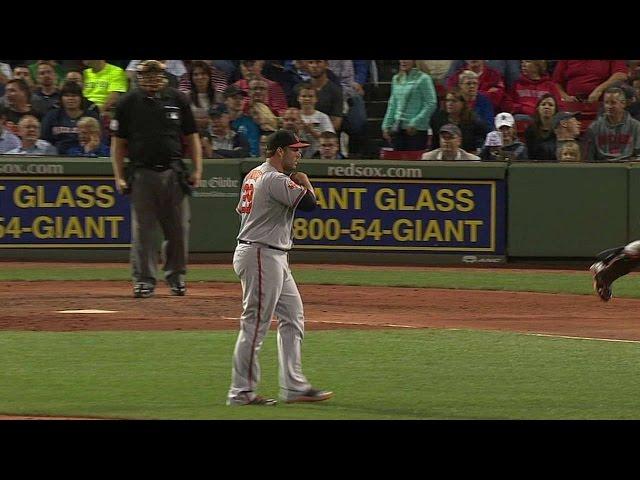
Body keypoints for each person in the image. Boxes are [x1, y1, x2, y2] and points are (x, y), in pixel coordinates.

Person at [227, 129, 333, 406]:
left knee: (293, 315)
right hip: (261, 254)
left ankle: (294, 386)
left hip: (268, 253)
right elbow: (310, 205)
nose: (299, 154)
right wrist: (306, 181)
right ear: (279, 151)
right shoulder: (273, 178)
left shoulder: (254, 173)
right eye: (295, 149)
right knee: (255, 325)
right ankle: (241, 392)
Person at [110, 60, 202, 298]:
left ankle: (176, 276)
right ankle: (144, 280)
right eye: (146, 74)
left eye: (155, 74)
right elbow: (118, 144)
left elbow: (192, 138)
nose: (151, 78)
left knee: (179, 229)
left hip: (173, 171)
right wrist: (119, 176)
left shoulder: (178, 99)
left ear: (164, 75)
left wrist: (197, 170)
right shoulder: (127, 103)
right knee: (144, 231)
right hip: (142, 172)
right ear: (138, 77)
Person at [382, 60, 437, 151]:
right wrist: (386, 125)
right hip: (398, 128)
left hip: (417, 130)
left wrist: (415, 122)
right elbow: (392, 104)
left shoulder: (424, 78)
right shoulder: (396, 79)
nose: (403, 61)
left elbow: (431, 103)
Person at [41, 80, 101, 155]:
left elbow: (98, 138)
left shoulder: (91, 116)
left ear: (81, 98)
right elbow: (44, 139)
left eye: (74, 95)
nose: (70, 98)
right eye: (66, 95)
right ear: (61, 98)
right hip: (56, 156)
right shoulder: (52, 115)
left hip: (86, 154)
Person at [583, 87, 640, 162]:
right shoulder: (594, 127)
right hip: (601, 167)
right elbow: (589, 157)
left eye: (613, 102)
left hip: (626, 166)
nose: (609, 106)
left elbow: (638, 154)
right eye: (606, 102)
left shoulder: (636, 126)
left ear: (623, 103)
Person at [430, 87, 488, 154]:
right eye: (448, 100)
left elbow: (484, 140)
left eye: (454, 101)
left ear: (463, 103)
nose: (449, 103)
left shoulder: (474, 120)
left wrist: (477, 152)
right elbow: (434, 143)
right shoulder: (437, 119)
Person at [553, 60, 628, 104]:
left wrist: (599, 90)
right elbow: (556, 82)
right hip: (572, 104)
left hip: (602, 104)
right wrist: (565, 97)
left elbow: (621, 75)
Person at [297, 83, 335, 158]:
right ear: (298, 98)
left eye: (310, 96)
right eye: (304, 96)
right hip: (297, 155)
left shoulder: (323, 117)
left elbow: (331, 140)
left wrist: (311, 131)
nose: (307, 99)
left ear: (316, 99)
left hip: (318, 155)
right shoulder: (294, 116)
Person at [224, 85, 260, 157]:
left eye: (241, 98)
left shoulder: (250, 122)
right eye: (234, 98)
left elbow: (254, 149)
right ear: (225, 100)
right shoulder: (221, 122)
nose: (238, 101)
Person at [523, 94, 559, 161]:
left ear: (555, 110)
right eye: (543, 104)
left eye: (550, 105)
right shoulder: (530, 130)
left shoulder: (560, 130)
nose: (546, 107)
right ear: (538, 108)